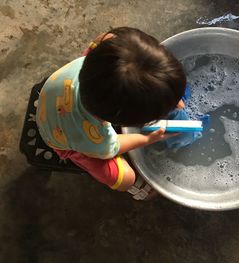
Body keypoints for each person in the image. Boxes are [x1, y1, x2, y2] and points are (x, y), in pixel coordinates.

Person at [36, 27, 186, 191]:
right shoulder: (94, 137)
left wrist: (169, 92)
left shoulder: (105, 47)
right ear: (119, 122)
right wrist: (149, 139)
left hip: (57, 91)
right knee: (126, 179)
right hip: (62, 139)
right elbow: (112, 147)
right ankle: (135, 190)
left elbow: (105, 37)